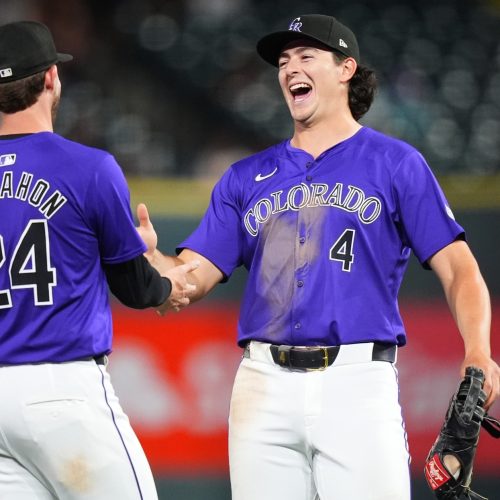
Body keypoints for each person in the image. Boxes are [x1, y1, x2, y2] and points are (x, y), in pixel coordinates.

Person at [137, 14, 500, 500]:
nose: (290, 69)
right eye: (283, 62)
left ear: (345, 68)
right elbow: (190, 276)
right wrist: (152, 259)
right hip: (262, 385)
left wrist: (478, 349)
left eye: (306, 56)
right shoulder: (246, 176)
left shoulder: (395, 164)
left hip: (356, 381)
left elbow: (460, 269)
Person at [0, 21, 197, 500]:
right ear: (50, 78)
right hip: (63, 388)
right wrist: (166, 282)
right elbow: (135, 288)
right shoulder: (88, 167)